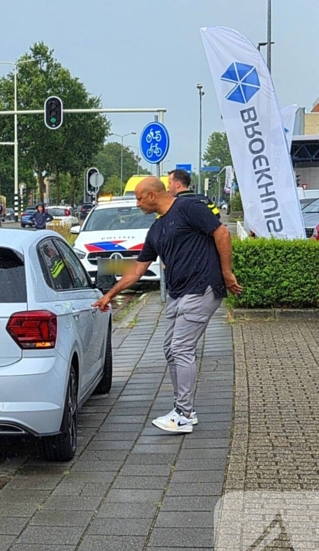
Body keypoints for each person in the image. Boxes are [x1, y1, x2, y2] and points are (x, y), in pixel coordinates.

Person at [92, 177, 243, 434]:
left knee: (181, 347)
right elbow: (138, 270)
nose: (137, 204)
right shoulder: (156, 230)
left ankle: (183, 414)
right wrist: (109, 295)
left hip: (202, 287)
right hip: (178, 292)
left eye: (140, 198)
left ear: (152, 195)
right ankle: (185, 409)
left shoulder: (188, 208)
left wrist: (226, 272)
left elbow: (222, 232)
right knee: (170, 349)